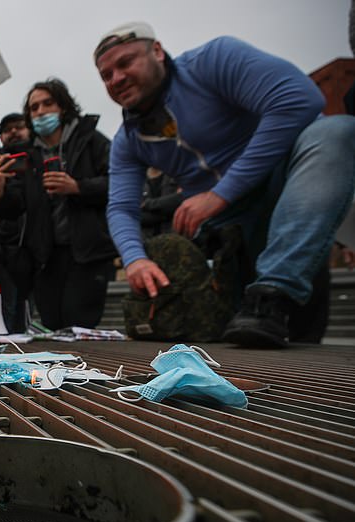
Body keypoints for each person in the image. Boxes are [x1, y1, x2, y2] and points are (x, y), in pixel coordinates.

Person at [95, 21, 355, 348]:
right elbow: (121, 206)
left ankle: (273, 293)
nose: (116, 78)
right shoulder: (127, 141)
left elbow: (300, 99)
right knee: (245, 339)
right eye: (106, 75)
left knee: (338, 132)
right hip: (229, 232)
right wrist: (135, 259)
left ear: (157, 51)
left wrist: (220, 194)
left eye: (125, 63)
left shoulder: (213, 61)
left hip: (286, 197)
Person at [0, 79, 116, 330]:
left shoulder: (90, 139)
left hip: (86, 254)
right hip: (45, 258)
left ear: (64, 107)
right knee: (52, 328)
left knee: (78, 325)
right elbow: (13, 208)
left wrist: (78, 187)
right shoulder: (28, 155)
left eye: (48, 103)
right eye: (34, 107)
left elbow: (120, 184)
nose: (41, 112)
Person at [0, 112, 32, 333]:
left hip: (36, 247)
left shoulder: (38, 159)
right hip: (3, 249)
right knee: (7, 311)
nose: (14, 132)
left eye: (19, 126)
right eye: (8, 129)